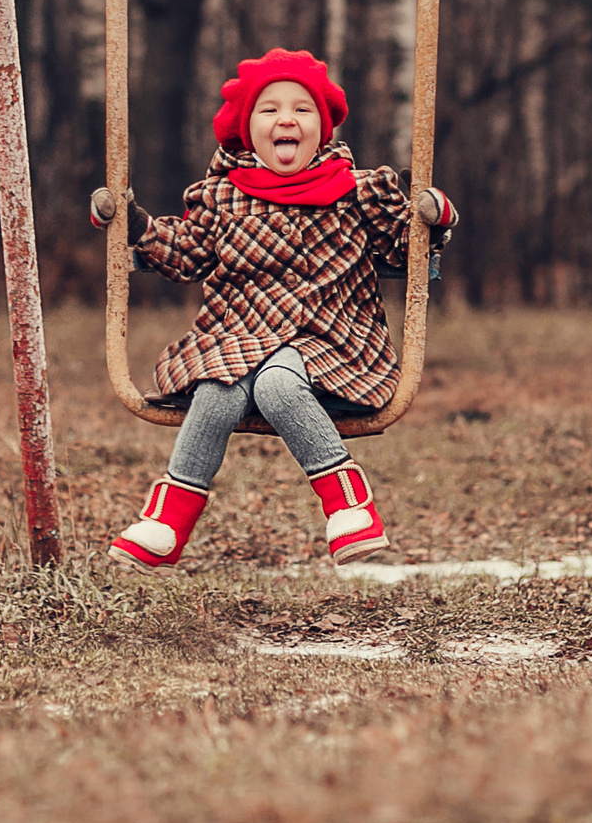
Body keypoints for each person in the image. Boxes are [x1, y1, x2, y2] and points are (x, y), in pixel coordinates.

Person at [91, 49, 458, 571]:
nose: (287, 119)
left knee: (278, 382)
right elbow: (186, 253)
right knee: (216, 387)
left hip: (333, 339)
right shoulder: (221, 196)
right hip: (237, 337)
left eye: (302, 110)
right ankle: (167, 523)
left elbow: (404, 247)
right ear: (247, 129)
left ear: (323, 128)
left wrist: (430, 218)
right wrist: (134, 224)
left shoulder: (357, 192)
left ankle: (350, 506)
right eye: (270, 110)